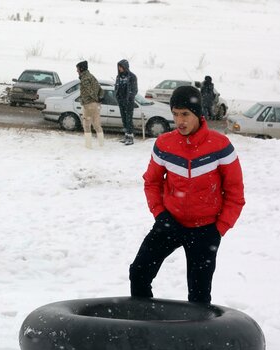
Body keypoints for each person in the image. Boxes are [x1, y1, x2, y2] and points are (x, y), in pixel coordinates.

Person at [128, 86, 245, 304]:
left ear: (198, 114)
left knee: (199, 294)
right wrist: (160, 215)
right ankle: (144, 326)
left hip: (205, 230)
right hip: (170, 223)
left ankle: (196, 336)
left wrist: (219, 229)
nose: (179, 120)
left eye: (185, 114)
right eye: (175, 114)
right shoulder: (164, 144)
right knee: (139, 272)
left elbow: (235, 194)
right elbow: (152, 182)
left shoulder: (221, 146)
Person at [76, 60, 104, 149]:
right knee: (97, 125)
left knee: (86, 125)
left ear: (81, 68)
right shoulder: (91, 76)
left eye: (77, 69)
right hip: (95, 105)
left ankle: (88, 145)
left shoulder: (84, 78)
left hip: (88, 105)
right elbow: (100, 89)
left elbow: (89, 91)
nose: (77, 71)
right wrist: (98, 99)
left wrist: (93, 99)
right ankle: (101, 144)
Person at [114, 59, 138, 146]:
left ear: (125, 67)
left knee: (129, 120)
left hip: (129, 102)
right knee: (124, 120)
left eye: (121, 67)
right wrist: (117, 96)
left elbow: (135, 90)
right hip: (121, 101)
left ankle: (130, 138)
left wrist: (129, 98)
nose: (119, 68)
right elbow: (116, 88)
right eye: (119, 67)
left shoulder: (132, 76)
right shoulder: (118, 77)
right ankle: (126, 136)